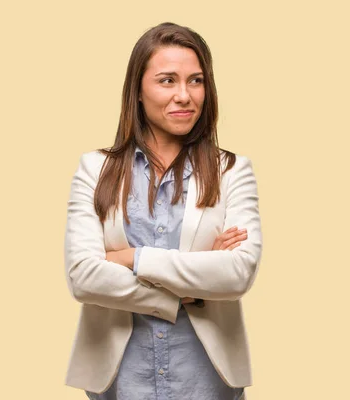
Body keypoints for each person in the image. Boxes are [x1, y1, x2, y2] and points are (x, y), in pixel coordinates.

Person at [63, 22, 263, 400]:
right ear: (138, 91)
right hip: (121, 379)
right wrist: (189, 289)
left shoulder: (232, 170)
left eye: (196, 81)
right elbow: (83, 276)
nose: (184, 95)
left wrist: (129, 257)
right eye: (167, 80)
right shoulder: (95, 168)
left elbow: (238, 273)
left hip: (205, 378)